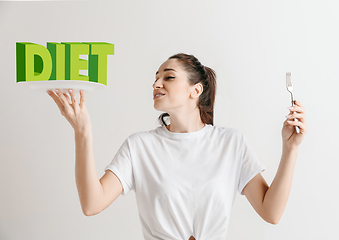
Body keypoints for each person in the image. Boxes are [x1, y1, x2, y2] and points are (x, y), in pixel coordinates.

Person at [47, 53, 308, 240]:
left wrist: (290, 149)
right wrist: (82, 131)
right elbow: (92, 204)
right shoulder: (140, 146)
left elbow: (271, 212)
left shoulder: (230, 143)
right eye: (156, 78)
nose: (156, 84)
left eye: (168, 77)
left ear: (196, 90)